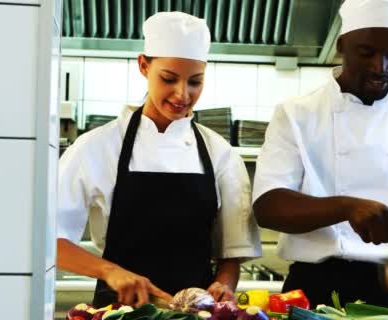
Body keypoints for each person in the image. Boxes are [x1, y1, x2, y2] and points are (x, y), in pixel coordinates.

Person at [252, 0, 388, 311]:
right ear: (342, 46)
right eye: (367, 53)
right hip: (313, 289)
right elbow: (268, 206)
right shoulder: (296, 114)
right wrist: (346, 207)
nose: (380, 68)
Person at [56, 11, 261, 308]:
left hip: (194, 313)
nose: (182, 94)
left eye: (195, 82)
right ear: (143, 66)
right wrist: (109, 271)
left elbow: (231, 253)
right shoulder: (96, 147)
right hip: (117, 311)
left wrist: (224, 286)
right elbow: (51, 241)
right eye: (168, 78)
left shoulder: (220, 154)